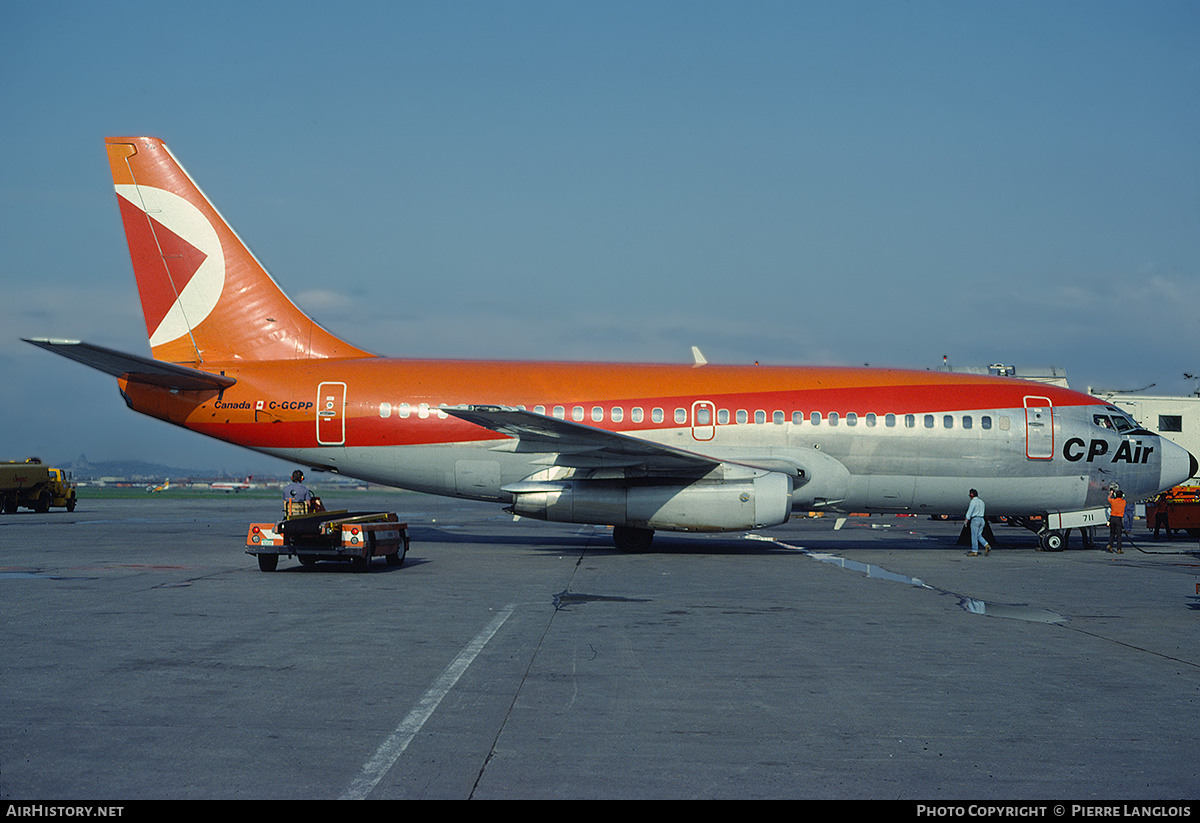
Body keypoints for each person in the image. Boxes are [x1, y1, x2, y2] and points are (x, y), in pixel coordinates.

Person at [965, 489, 991, 556]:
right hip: (982, 519)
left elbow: (970, 511)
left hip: (975, 519)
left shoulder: (973, 502)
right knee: (979, 535)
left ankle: (974, 551)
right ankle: (986, 545)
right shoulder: (981, 502)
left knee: (974, 536)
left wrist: (966, 519)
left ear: (971, 495)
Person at [1106, 485, 1126, 553]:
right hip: (1118, 519)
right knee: (1119, 535)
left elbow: (1108, 498)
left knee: (1112, 533)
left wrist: (1111, 494)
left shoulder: (1113, 501)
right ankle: (1119, 549)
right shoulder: (1124, 502)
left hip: (1112, 518)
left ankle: (1109, 545)